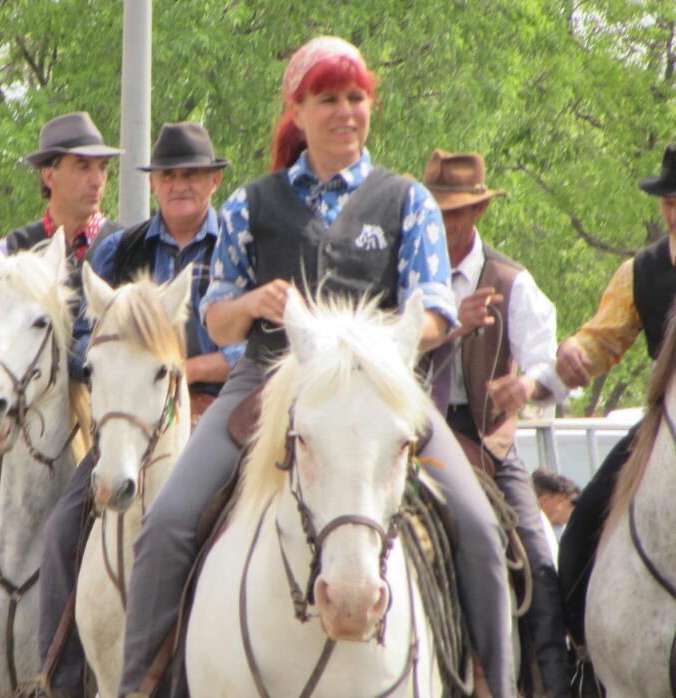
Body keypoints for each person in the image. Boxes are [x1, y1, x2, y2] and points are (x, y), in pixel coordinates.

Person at [116, 36, 517, 698]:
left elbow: (437, 314)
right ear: (296, 111)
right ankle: (138, 687)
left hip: (379, 390)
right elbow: (218, 322)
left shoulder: (408, 201)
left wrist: (374, 342)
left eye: (356, 97)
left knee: (478, 527)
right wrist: (251, 303)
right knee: (166, 523)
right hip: (266, 382)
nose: (345, 112)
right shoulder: (250, 203)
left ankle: (494, 685)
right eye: (327, 99)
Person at [37, 122, 244, 696]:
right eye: (169, 175)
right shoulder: (119, 249)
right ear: (154, 184)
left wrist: (183, 369)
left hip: (219, 411)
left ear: (214, 181)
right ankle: (59, 678)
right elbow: (87, 335)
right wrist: (123, 362)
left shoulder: (235, 243)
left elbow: (254, 343)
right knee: (61, 528)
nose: (181, 185)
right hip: (131, 413)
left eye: (193, 175)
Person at [421, 149, 571, 696]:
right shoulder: (409, 279)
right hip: (414, 431)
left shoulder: (511, 280)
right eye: (435, 211)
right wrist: (451, 329)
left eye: (454, 211)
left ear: (478, 211)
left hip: (486, 439)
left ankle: (555, 685)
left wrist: (525, 387)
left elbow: (547, 364)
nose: (442, 222)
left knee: (539, 559)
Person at [0, 111, 122, 495]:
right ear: (49, 175)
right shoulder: (5, 251)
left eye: (102, 168)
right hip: (15, 415)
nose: (97, 180)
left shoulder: (124, 247)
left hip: (104, 420)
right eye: (83, 166)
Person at [555, 141, 676, 645]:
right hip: (662, 424)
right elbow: (603, 338)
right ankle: (579, 653)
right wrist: (573, 351)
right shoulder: (640, 272)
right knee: (583, 522)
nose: (674, 214)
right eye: (668, 203)